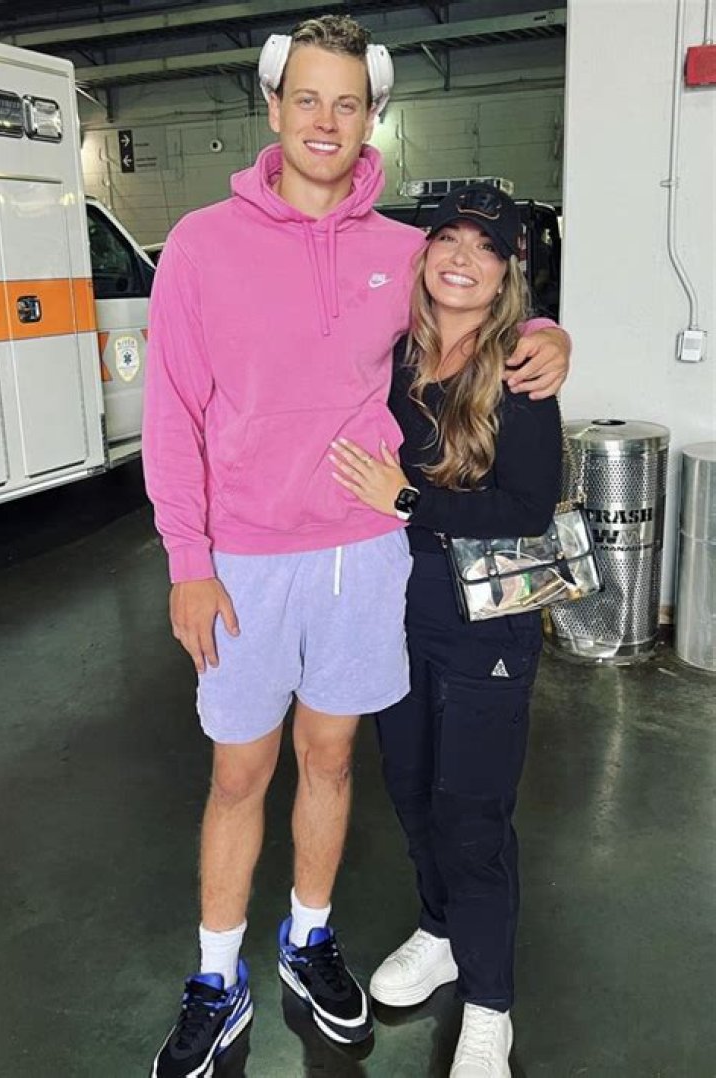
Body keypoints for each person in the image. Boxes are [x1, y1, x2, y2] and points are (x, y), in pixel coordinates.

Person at [143, 15, 570, 1078]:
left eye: (347, 102)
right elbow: (170, 411)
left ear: (373, 114)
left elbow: (479, 305)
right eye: (308, 98)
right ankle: (216, 978)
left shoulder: (399, 250)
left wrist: (547, 333)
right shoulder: (200, 243)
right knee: (239, 775)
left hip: (367, 557)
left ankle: (308, 941)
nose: (326, 121)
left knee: (334, 760)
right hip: (244, 560)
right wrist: (188, 561)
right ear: (273, 106)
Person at [330, 183, 562, 1077]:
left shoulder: (518, 369)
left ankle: (491, 1005)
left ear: (507, 272)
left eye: (486, 247)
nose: (463, 259)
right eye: (448, 241)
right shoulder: (392, 354)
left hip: (486, 629)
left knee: (473, 814)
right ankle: (441, 930)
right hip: (396, 614)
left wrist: (408, 502)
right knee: (412, 791)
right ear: (423, 255)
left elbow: (527, 509)